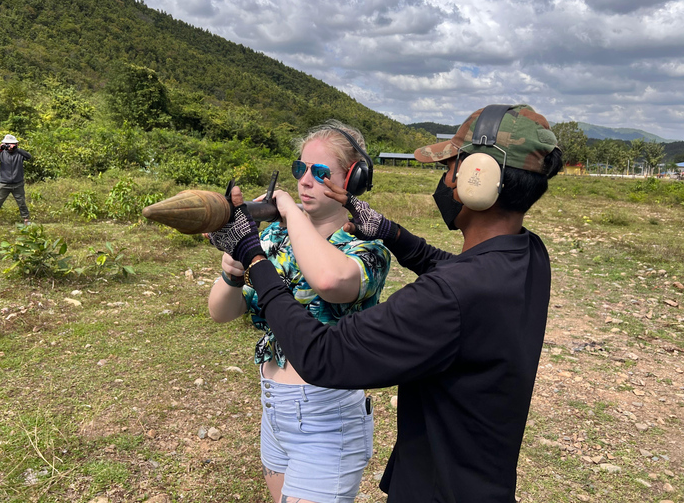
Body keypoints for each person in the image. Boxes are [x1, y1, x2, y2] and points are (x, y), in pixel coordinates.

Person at [209, 104, 564, 503]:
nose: (446, 181)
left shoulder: (447, 296)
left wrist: (254, 258)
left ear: (477, 178)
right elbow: (450, 267)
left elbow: (323, 355)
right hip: (475, 480)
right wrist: (391, 232)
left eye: (451, 168)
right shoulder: (525, 256)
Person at [207, 120, 391, 503]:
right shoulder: (273, 238)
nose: (305, 181)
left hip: (327, 418)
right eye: (300, 169)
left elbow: (329, 280)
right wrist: (233, 270)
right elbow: (222, 312)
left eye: (320, 172)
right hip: (274, 411)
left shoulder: (366, 248)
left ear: (352, 180)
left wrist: (287, 209)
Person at [0, 134, 32, 226]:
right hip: (4, 183)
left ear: (16, 144)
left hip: (18, 183)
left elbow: (29, 156)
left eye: (11, 144)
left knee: (21, 202)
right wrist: (0, 150)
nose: (9, 146)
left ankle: (26, 220)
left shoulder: (19, 154)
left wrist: (16, 149)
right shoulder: (2, 153)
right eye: (7, 144)